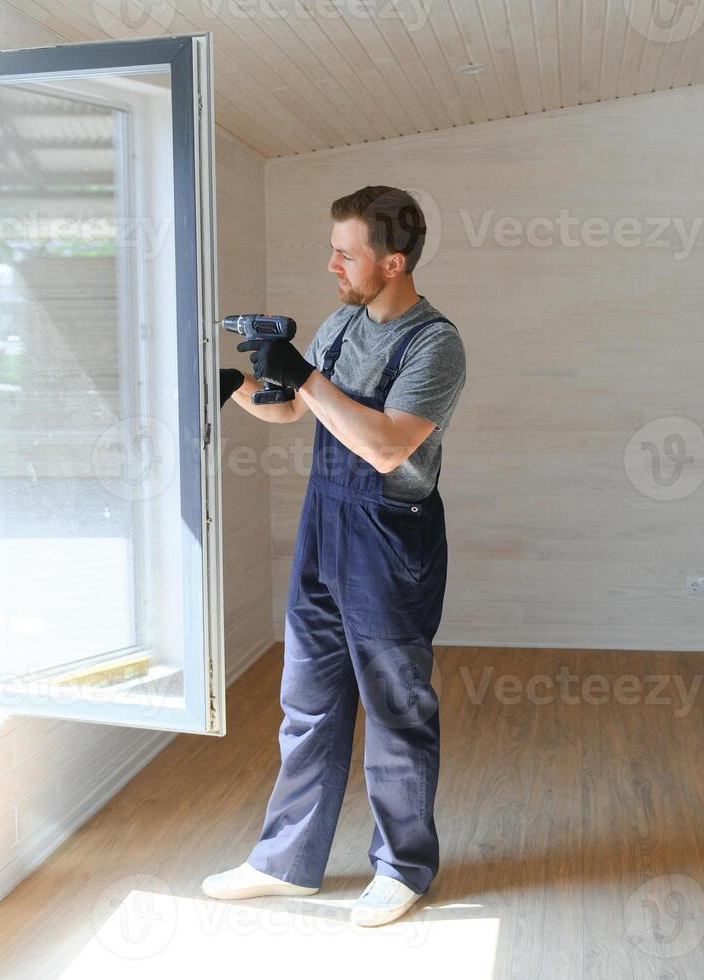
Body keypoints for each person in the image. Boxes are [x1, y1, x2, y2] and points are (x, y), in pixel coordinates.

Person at [203, 186, 467, 927]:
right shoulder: (344, 321)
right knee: (308, 701)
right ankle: (286, 862)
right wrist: (238, 387)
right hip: (324, 528)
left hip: (390, 536)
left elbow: (386, 445)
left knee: (394, 709)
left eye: (345, 254)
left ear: (392, 261)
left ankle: (403, 868)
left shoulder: (434, 343)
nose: (331, 265)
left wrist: (306, 374)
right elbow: (292, 407)